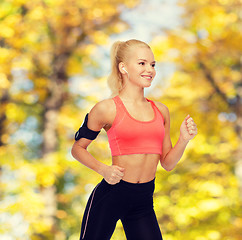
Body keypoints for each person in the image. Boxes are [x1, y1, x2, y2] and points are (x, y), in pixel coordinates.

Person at [71, 39, 197, 240]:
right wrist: (104, 169)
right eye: (142, 63)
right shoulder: (106, 108)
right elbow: (78, 149)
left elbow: (168, 163)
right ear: (123, 67)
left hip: (143, 201)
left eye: (153, 64)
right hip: (111, 195)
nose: (150, 70)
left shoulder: (161, 111)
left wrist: (184, 139)